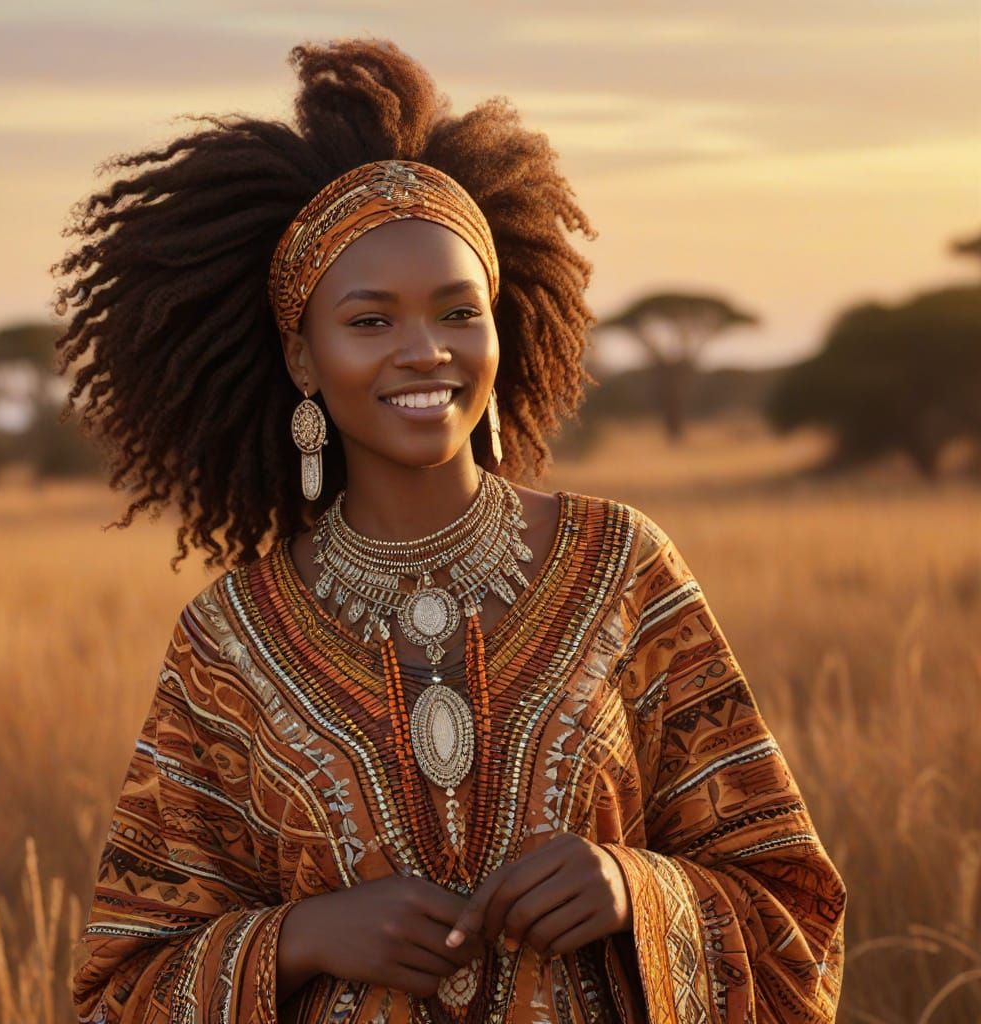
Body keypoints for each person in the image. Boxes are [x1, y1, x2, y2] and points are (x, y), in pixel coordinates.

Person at [53, 37, 846, 1024]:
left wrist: (631, 888)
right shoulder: (229, 640)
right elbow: (120, 991)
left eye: (457, 312)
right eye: (371, 321)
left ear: (500, 328)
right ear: (303, 356)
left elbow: (792, 912)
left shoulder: (622, 566)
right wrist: (299, 936)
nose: (425, 350)